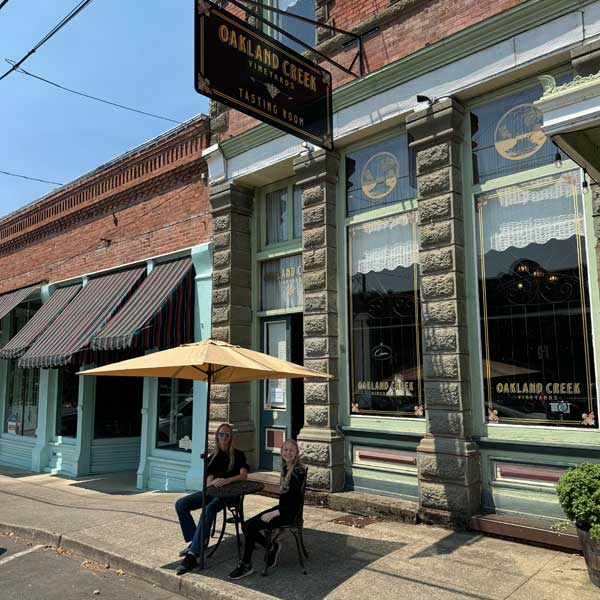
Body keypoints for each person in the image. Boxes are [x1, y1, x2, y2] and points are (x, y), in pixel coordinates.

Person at [175, 422, 249, 575]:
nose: (224, 437)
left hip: (229, 495)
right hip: (212, 492)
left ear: (231, 437)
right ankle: (196, 541)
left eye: (227, 434)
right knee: (181, 504)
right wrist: (211, 482)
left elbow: (244, 475)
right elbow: (208, 479)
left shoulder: (239, 454)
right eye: (221, 434)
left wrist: (226, 480)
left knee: (209, 509)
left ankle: (192, 555)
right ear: (217, 436)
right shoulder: (213, 457)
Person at [228, 439, 305, 580]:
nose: (288, 453)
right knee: (246, 526)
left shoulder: (297, 473)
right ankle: (272, 546)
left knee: (250, 526)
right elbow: (287, 499)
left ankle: (246, 565)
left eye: (291, 450)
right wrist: (276, 510)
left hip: (288, 513)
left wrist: (276, 512)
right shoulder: (287, 468)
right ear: (281, 452)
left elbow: (294, 503)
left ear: (297, 453)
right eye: (285, 450)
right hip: (282, 509)